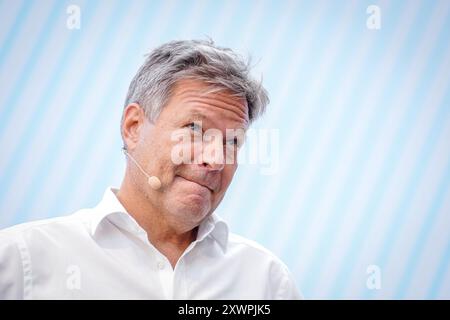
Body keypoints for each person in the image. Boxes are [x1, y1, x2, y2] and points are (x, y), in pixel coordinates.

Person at [0, 39, 301, 299]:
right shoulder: (21, 260)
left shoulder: (267, 282)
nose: (216, 159)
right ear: (133, 127)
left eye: (232, 142)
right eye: (194, 128)